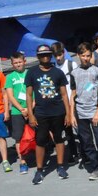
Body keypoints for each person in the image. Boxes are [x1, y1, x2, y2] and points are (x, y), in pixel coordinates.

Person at [25, 45, 72, 184]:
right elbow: (28, 95)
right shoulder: (32, 72)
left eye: (47, 54)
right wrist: (31, 115)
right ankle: (39, 170)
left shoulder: (58, 73)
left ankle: (60, 166)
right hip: (41, 113)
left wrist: (68, 114)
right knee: (40, 141)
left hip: (58, 112)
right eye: (42, 54)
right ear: (38, 56)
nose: (45, 57)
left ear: (51, 56)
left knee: (59, 138)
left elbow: (64, 95)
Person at [69, 42, 98, 184]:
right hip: (80, 112)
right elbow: (73, 94)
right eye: (83, 55)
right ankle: (96, 168)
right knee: (86, 143)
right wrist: (71, 114)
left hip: (95, 111)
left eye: (88, 55)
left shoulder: (97, 70)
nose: (86, 58)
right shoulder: (74, 73)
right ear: (78, 56)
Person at [51, 42, 80, 165]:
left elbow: (78, 81)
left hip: (73, 100)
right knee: (67, 130)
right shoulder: (53, 68)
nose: (58, 57)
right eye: (55, 55)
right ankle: (73, 153)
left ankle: (84, 152)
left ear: (63, 53)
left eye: (60, 54)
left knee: (79, 128)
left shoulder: (71, 64)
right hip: (61, 103)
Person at [5, 52, 30, 174]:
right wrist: (21, 109)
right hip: (17, 111)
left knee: (35, 135)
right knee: (19, 137)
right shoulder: (10, 77)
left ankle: (38, 157)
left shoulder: (30, 73)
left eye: (20, 62)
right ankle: (22, 161)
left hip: (31, 109)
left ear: (24, 61)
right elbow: (10, 96)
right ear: (12, 64)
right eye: (15, 63)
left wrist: (30, 109)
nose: (18, 64)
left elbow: (35, 91)